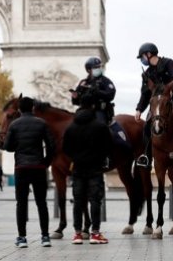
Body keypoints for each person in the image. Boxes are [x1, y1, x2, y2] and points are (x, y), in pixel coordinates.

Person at [2, 96, 55, 248]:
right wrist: (46, 162)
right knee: (41, 203)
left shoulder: (14, 125)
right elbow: (51, 145)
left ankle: (22, 238)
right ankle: (45, 236)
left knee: (21, 203)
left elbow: (8, 147)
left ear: (19, 109)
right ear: (32, 108)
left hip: (21, 168)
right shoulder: (42, 123)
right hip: (38, 167)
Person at [63, 94, 112, 245]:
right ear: (92, 106)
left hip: (77, 169)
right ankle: (95, 234)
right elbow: (108, 147)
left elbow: (66, 149)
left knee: (78, 201)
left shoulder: (71, 127)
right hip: (95, 169)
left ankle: (77, 234)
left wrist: (76, 158)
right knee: (95, 201)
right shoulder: (100, 126)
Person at [70, 56, 116, 125]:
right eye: (96, 67)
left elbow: (111, 94)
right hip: (84, 111)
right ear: (89, 70)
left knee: (100, 127)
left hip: (99, 111)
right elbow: (77, 102)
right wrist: (75, 97)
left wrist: (97, 92)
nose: (99, 69)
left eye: (99, 67)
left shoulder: (105, 81)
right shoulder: (83, 82)